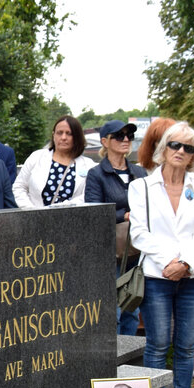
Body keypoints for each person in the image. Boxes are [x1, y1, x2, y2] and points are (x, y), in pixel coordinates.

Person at [129, 122, 194, 388]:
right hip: (157, 276)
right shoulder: (141, 187)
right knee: (157, 344)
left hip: (193, 276)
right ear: (163, 148)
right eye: (175, 144)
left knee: (187, 346)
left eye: (188, 148)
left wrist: (185, 263)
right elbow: (139, 233)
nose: (180, 151)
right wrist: (170, 263)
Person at [85, 120, 147, 335]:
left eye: (129, 135)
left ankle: (130, 350)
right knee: (112, 310)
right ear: (105, 141)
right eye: (119, 136)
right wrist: (124, 215)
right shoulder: (96, 174)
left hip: (137, 248)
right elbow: (94, 213)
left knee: (132, 305)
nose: (126, 139)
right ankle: (113, 352)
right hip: (111, 251)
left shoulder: (139, 172)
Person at [13, 115, 96, 207]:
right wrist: (31, 210)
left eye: (69, 133)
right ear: (53, 135)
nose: (63, 137)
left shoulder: (89, 165)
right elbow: (19, 187)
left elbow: (87, 195)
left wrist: (58, 209)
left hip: (71, 215)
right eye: (59, 133)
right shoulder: (36, 157)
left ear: (77, 137)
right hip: (34, 214)